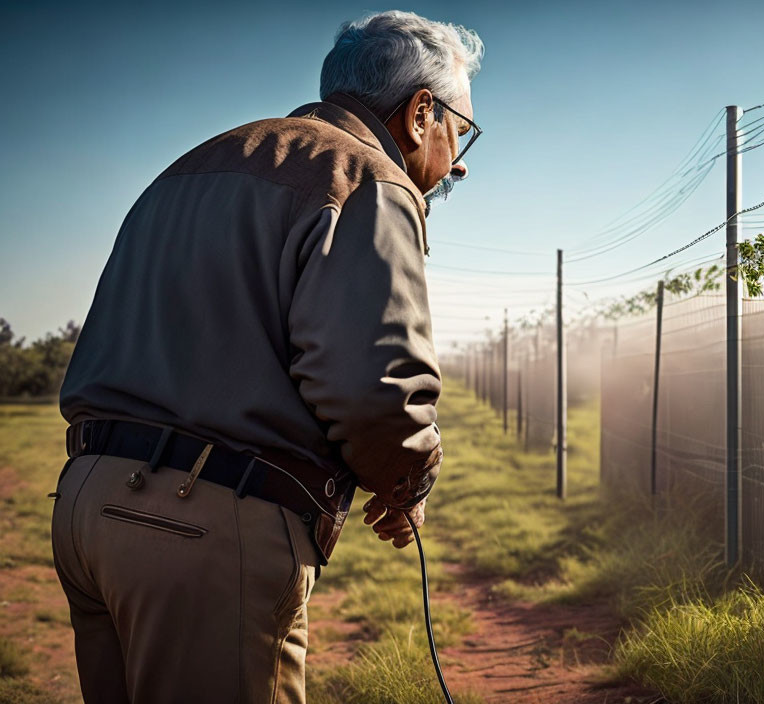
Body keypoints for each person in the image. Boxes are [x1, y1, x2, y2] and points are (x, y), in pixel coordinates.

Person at [50, 10, 483, 703]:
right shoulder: (368, 179)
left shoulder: (190, 166)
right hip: (200, 525)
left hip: (83, 507)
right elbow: (375, 392)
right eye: (462, 130)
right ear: (421, 112)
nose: (459, 159)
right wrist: (409, 480)